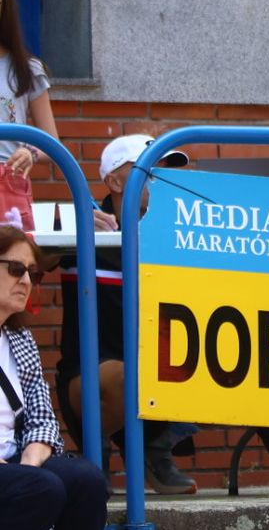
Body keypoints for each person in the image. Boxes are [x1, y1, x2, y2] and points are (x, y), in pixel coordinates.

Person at [57, 133, 198, 494]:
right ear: (116, 181)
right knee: (130, 375)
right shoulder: (82, 225)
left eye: (167, 170)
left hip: (158, 369)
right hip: (91, 377)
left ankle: (154, 449)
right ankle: (95, 457)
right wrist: (73, 235)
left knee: (213, 361)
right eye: (150, 169)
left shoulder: (184, 236)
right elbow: (31, 258)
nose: (162, 178)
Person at [0, 226, 114, 530]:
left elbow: (43, 418)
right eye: (15, 269)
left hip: (15, 465)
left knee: (84, 479)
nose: (26, 281)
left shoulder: (19, 341)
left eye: (33, 272)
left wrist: (31, 457)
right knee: (41, 487)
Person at [0, 0, 58, 229]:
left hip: (8, 180)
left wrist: (30, 152)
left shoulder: (26, 68)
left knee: (12, 265)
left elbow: (52, 143)